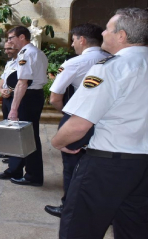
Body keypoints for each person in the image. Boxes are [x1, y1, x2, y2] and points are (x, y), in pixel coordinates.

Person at [52, 8, 148, 238]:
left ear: (121, 36)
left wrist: (57, 141)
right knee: (134, 227)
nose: (103, 33)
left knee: (79, 227)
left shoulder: (110, 69)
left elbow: (78, 125)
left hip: (107, 167)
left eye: (107, 28)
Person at [44, 23, 110, 218]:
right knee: (100, 167)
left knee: (72, 166)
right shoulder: (112, 60)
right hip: (107, 122)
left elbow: (55, 98)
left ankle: (70, 207)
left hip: (79, 119)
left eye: (73, 40)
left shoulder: (75, 62)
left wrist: (69, 114)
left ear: (81, 40)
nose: (72, 45)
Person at [0, 26, 48, 187]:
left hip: (27, 97)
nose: (8, 41)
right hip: (29, 96)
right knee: (19, 136)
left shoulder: (28, 53)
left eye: (10, 38)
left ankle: (33, 175)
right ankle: (14, 169)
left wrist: (14, 109)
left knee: (28, 137)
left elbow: (23, 83)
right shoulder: (33, 53)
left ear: (22, 37)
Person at [0, 41, 20, 164]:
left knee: (14, 125)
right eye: (5, 49)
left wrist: (10, 91)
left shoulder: (22, 63)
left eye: (9, 48)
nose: (6, 51)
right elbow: (3, 79)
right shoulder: (9, 63)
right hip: (6, 97)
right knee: (7, 123)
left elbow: (22, 82)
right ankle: (9, 151)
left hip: (14, 97)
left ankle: (15, 154)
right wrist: (1, 90)